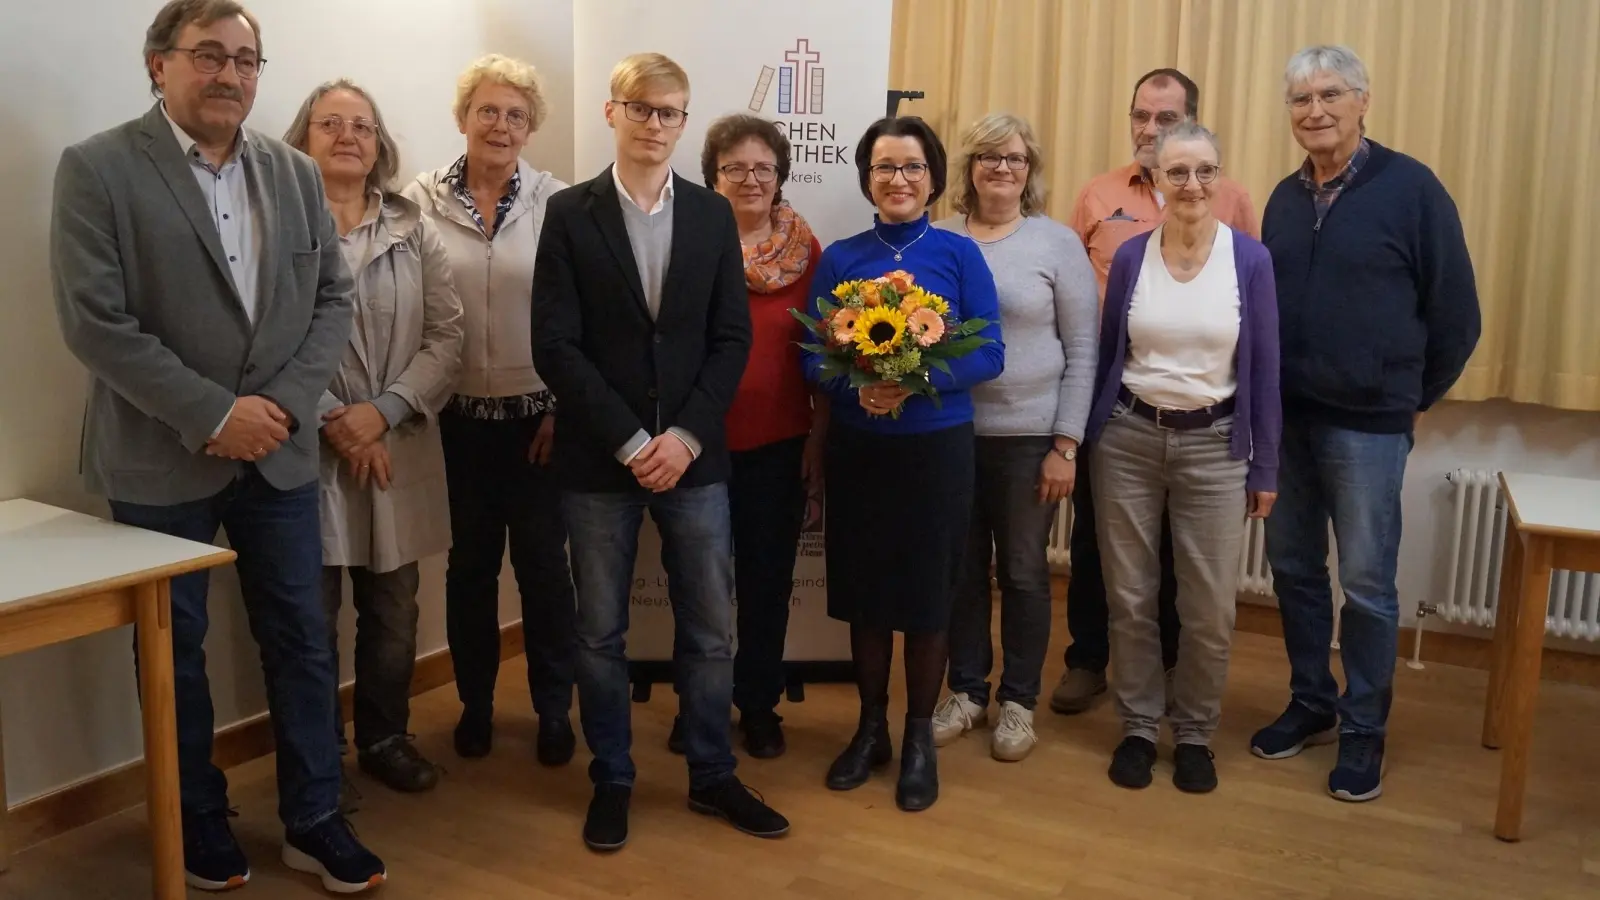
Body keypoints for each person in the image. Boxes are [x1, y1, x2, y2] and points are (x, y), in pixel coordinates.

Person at [49, 0, 385, 892]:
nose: (230, 74)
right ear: (159, 64)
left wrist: (274, 406)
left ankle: (315, 817)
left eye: (246, 59)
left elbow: (330, 302)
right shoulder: (98, 169)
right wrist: (212, 413)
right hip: (160, 458)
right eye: (209, 55)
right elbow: (96, 324)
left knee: (303, 639)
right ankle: (194, 816)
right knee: (176, 651)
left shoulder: (293, 173)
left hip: (275, 450)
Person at [531, 52, 788, 852]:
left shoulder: (712, 216)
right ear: (612, 114)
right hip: (599, 459)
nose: (653, 123)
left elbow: (730, 338)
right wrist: (633, 439)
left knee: (711, 630)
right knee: (600, 632)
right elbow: (556, 345)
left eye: (669, 111)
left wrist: (681, 437)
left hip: (694, 459)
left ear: (684, 123)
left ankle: (711, 774)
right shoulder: (570, 214)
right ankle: (613, 775)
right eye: (639, 108)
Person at [1254, 45, 1480, 803]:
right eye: (1300, 99)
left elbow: (1456, 314)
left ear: (1363, 101)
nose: (1314, 110)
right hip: (1289, 421)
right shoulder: (1284, 198)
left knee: (1369, 584)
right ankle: (1312, 701)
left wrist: (1412, 395)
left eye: (1330, 95)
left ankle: (1363, 728)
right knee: (1292, 569)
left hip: (1370, 427)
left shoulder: (1412, 190)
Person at [804, 116, 1005, 811]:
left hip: (935, 450)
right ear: (867, 177)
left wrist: (917, 380)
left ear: (933, 179)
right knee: (864, 595)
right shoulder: (840, 257)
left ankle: (919, 736)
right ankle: (870, 731)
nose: (898, 179)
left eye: (912, 167)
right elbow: (811, 355)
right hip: (859, 450)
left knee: (926, 598)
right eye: (885, 166)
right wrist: (858, 380)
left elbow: (990, 352)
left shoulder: (959, 254)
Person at [1052, 67, 1260, 717]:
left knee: (1180, 558)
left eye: (1165, 119)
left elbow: (1250, 307)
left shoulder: (1230, 200)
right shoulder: (1097, 195)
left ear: (1191, 124)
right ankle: (1088, 657)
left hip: (1204, 412)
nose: (1149, 129)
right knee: (1097, 541)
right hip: (1113, 401)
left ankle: (1171, 670)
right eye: (1140, 115)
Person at [1085, 121, 1280, 794]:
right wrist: (1089, 436)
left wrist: (1266, 467)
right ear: (1157, 182)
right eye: (1177, 173)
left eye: (1204, 171)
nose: (1191, 184)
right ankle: (1139, 725)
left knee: (1207, 607)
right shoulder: (1135, 255)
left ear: (1219, 178)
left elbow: (1265, 371)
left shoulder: (1249, 259)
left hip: (1216, 448)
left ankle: (1195, 732)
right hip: (1129, 440)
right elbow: (1113, 351)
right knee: (1131, 596)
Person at [284, 79, 464, 794]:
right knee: (309, 618)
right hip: (309, 448)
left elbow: (447, 337)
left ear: (380, 142)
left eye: (362, 124)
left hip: (399, 445)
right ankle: (315, 753)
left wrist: (383, 413)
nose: (348, 135)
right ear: (302, 138)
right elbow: (264, 344)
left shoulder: (412, 226)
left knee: (395, 612)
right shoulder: (279, 223)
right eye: (330, 122)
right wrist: (337, 418)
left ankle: (385, 736)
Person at [402, 54, 577, 766]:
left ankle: (553, 711)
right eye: (488, 110)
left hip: (540, 420)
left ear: (531, 126)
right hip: (456, 420)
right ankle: (475, 705)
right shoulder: (417, 200)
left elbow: (578, 316)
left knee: (542, 569)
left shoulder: (558, 203)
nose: (500, 125)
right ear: (463, 117)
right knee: (469, 569)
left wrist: (564, 408)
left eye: (515, 114)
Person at [930, 112, 1097, 762]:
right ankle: (967, 691)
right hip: (948, 433)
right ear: (968, 168)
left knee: (1025, 573)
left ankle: (1019, 702)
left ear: (1030, 171)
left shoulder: (1056, 244)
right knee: (961, 572)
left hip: (1031, 440)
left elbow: (1084, 349)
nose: (1003, 168)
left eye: (1016, 158)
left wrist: (1067, 444)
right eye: (989, 157)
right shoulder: (939, 238)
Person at [697, 113, 828, 759]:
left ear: (780, 176)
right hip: (697, 442)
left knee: (766, 583)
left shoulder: (808, 253)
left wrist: (817, 439)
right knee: (701, 586)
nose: (750, 179)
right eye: (735, 168)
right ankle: (703, 703)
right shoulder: (689, 241)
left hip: (779, 442)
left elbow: (825, 353)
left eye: (763, 168)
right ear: (713, 176)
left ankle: (758, 705)